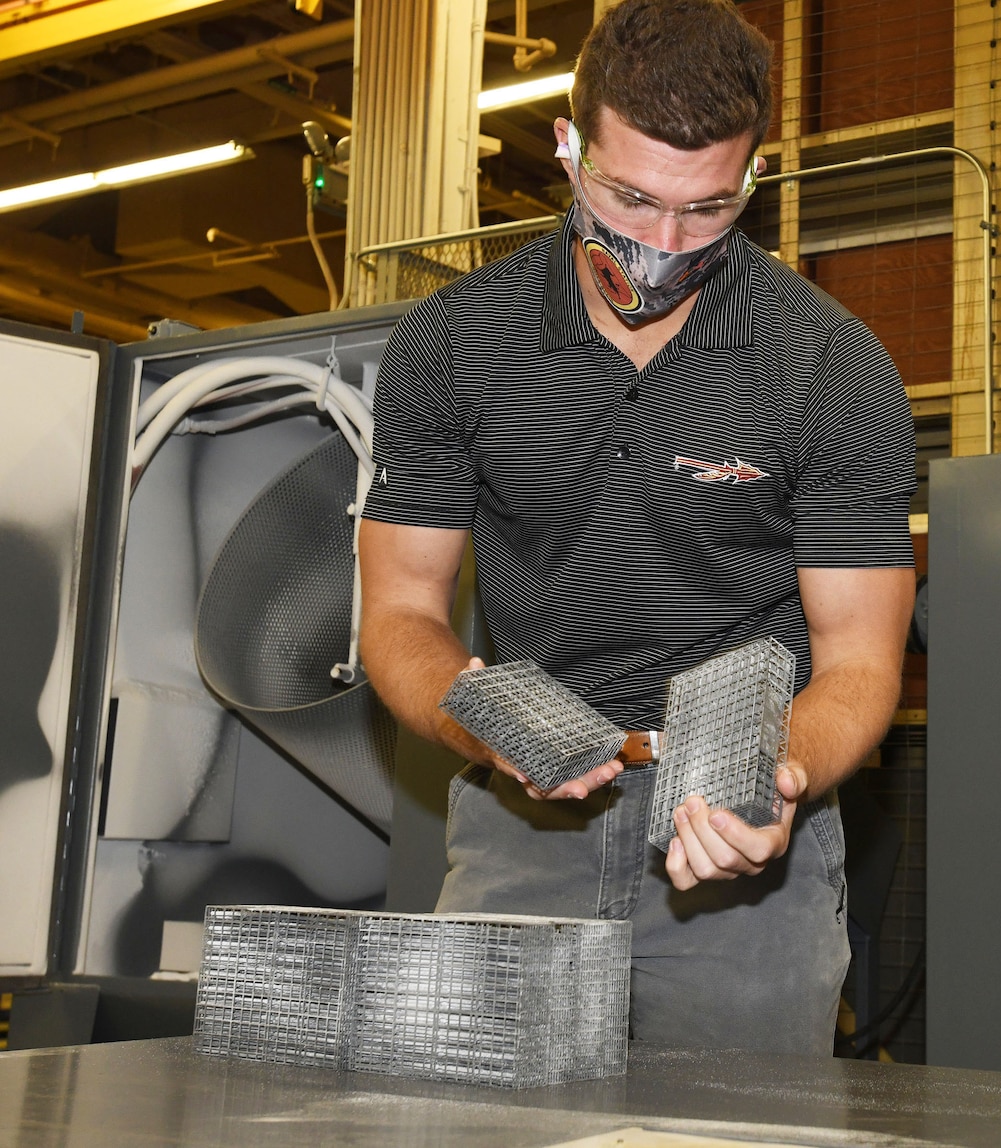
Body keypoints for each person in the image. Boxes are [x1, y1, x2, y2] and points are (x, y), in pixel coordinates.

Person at [358, 0, 916, 1055]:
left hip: (747, 855)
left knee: (736, 1131)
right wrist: (473, 720)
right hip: (522, 834)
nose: (661, 246)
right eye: (630, 198)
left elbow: (856, 662)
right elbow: (397, 608)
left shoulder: (831, 366)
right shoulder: (452, 346)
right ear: (567, 149)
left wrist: (776, 771)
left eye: (706, 209)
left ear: (752, 176)